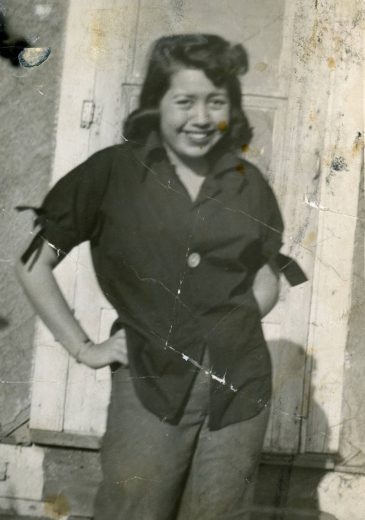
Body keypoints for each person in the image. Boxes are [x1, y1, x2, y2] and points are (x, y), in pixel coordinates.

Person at [16, 34, 305, 520]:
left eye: (215, 101)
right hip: (150, 380)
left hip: (239, 386)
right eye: (184, 101)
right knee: (134, 510)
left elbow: (267, 274)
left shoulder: (246, 181)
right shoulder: (111, 172)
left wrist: (230, 324)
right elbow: (32, 267)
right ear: (156, 102)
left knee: (220, 513)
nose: (200, 117)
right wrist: (84, 349)